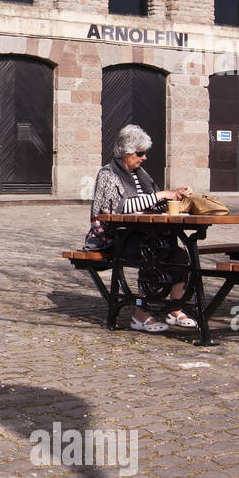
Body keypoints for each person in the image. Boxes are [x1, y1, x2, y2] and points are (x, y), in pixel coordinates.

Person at [86, 124, 197, 333]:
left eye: (144, 153)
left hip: (143, 234)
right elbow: (120, 209)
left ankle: (175, 308)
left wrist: (176, 194)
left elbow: (152, 203)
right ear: (125, 152)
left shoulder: (141, 174)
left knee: (180, 256)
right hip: (113, 237)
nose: (144, 158)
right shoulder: (108, 174)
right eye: (140, 153)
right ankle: (141, 315)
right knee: (152, 253)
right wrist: (163, 194)